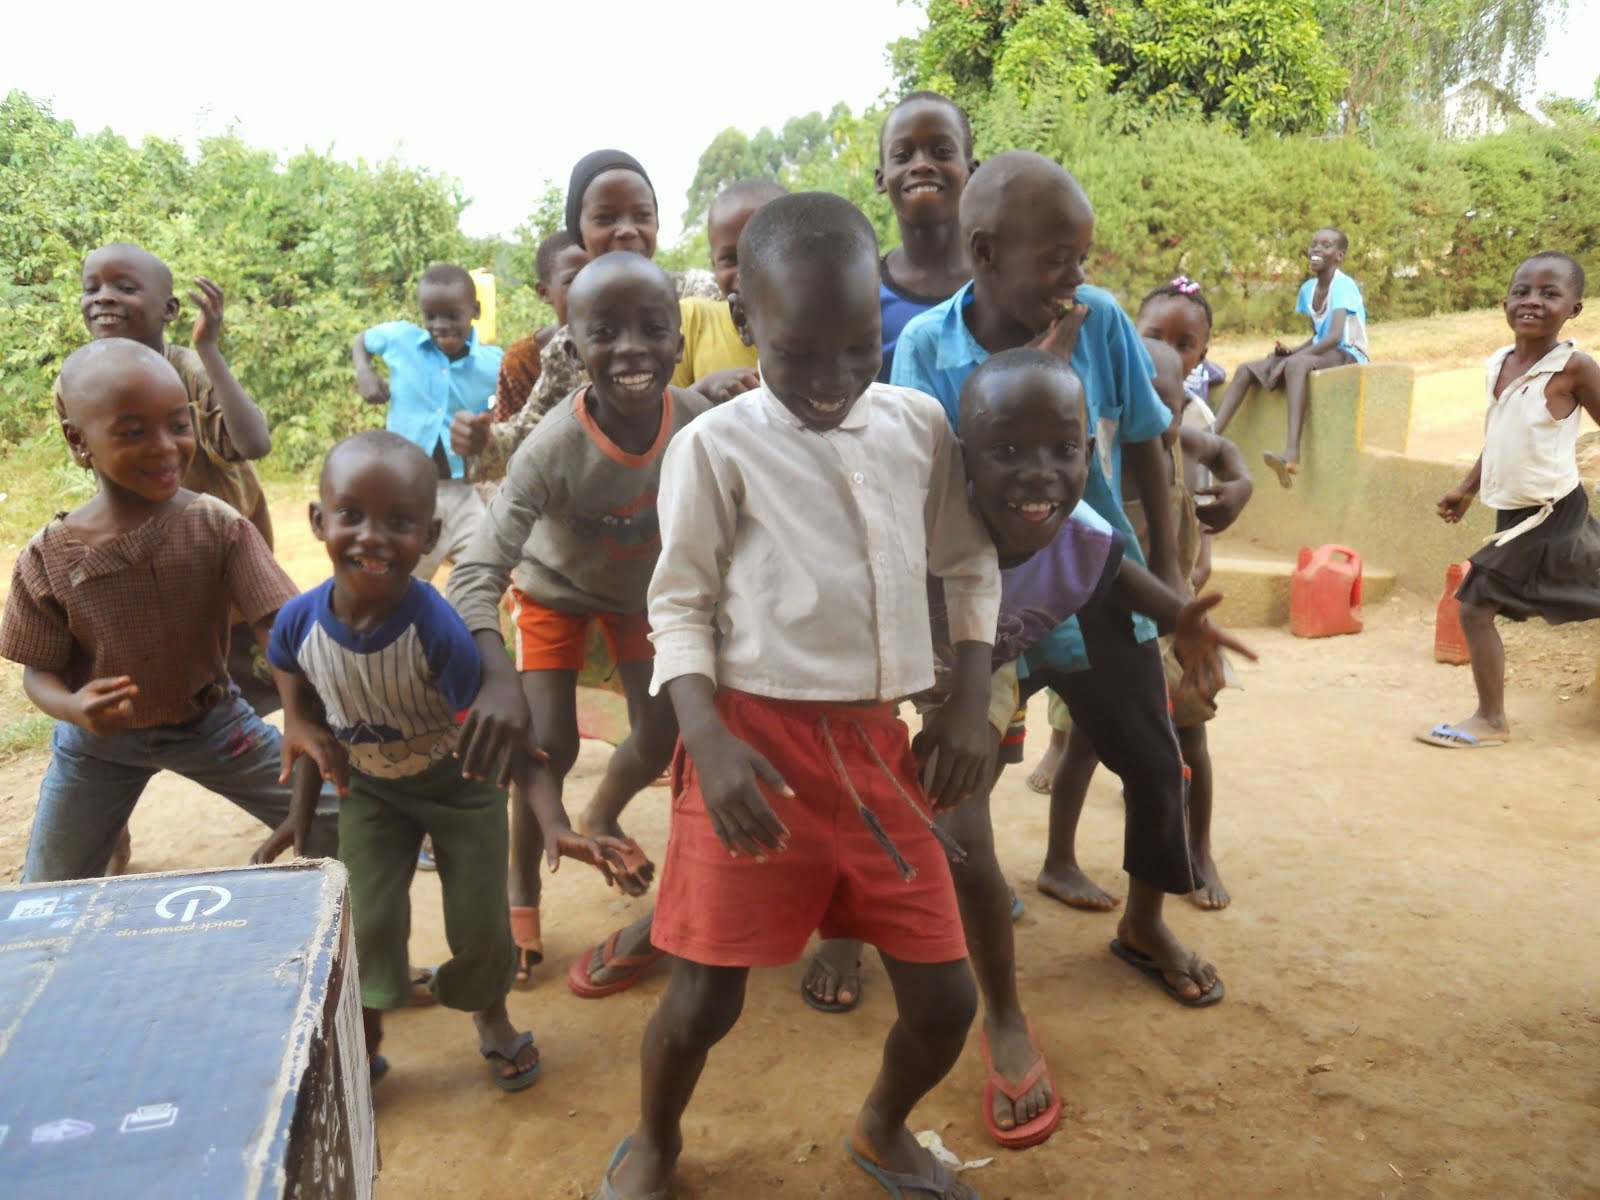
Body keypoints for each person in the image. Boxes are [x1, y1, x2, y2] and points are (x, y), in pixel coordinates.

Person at [580, 192, 1001, 1200]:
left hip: (877, 753)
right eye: (800, 352)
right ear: (746, 320)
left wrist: (966, 697)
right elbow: (676, 607)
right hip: (751, 752)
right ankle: (654, 1142)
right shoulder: (715, 447)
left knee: (945, 998)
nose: (833, 379)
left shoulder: (917, 425)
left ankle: (881, 1129)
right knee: (702, 1002)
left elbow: (967, 561)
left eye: (858, 348)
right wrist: (709, 746)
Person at [883, 151, 1221, 1011]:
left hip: (1095, 577)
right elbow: (920, 488)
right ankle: (960, 953)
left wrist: (1169, 573)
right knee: (963, 786)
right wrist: (1032, 377)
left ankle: (1144, 923)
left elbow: (1145, 435)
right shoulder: (927, 348)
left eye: (1082, 257)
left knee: (1153, 760)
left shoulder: (1102, 320)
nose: (1077, 276)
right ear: (988, 252)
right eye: (1058, 258)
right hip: (977, 601)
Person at [258, 430, 629, 1089]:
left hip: (462, 787)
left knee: (481, 918)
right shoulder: (298, 622)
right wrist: (299, 810)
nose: (372, 537)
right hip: (372, 793)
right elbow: (298, 699)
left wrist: (553, 823)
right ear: (319, 521)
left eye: (398, 523)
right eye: (351, 515)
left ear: (428, 536)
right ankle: (368, 1033)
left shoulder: (437, 630)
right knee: (368, 919)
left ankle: (490, 1015)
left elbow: (512, 742)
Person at [446, 253, 704, 981]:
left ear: (678, 344)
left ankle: (600, 815)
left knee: (660, 734)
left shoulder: (699, 423)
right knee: (545, 744)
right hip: (552, 589)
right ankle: (520, 896)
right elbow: (476, 571)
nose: (631, 349)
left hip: (641, 598)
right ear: (573, 345)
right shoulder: (551, 448)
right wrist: (494, 674)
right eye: (605, 332)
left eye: (653, 329)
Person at [2, 340, 336, 883]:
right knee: (48, 887)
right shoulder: (46, 558)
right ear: (78, 442)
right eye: (133, 432)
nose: (166, 447)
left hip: (212, 722)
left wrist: (298, 715)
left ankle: (375, 925)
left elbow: (277, 623)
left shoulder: (217, 526)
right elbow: (37, 672)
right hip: (96, 745)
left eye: (179, 425)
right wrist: (72, 706)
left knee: (335, 819)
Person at [54, 242, 278, 874]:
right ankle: (104, 835)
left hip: (223, 577)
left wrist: (208, 350)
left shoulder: (188, 367)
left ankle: (367, 811)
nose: (103, 298)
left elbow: (252, 442)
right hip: (139, 582)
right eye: (91, 286)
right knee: (115, 703)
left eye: (124, 287)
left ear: (170, 309)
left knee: (285, 682)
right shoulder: (78, 376)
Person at [1043, 333, 1254, 915]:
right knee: (1081, 744)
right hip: (1108, 633)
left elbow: (1224, 454)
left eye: (1169, 405)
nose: (1157, 418)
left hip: (1175, 625)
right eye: (1145, 403)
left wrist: (1242, 482)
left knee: (1191, 739)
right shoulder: (1098, 461)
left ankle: (1199, 849)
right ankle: (1059, 858)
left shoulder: (1180, 444)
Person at [1022, 274, 1224, 793]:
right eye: (1154, 334)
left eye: (1184, 344)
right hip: (1106, 588)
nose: (1160, 415)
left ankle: (1191, 847)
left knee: (1182, 727)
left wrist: (1232, 500)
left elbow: (1217, 469)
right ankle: (1061, 845)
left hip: (1167, 594)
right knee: (1082, 716)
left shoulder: (1192, 421)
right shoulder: (1098, 413)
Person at [1421, 251, 1600, 748]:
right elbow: (1500, 436)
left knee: (1475, 607)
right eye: (1522, 291)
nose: (1533, 302)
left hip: (1551, 512)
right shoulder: (1498, 364)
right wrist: (1465, 488)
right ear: (1505, 301)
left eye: (1550, 294)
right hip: (1513, 511)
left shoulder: (1575, 368)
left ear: (1574, 309)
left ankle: (1492, 720)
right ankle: (1492, 717)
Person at [453, 149, 720, 481]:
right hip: (616, 512)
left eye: (641, 215)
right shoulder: (570, 344)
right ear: (579, 231)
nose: (626, 230)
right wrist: (485, 441)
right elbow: (532, 438)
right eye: (606, 219)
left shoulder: (703, 294)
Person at [352, 262, 503, 581]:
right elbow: (361, 340)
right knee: (403, 580)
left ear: (474, 310)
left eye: (452, 315)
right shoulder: (400, 341)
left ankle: (465, 630)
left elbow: (512, 409)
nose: (440, 325)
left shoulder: (494, 365)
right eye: (430, 316)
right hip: (407, 493)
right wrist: (365, 373)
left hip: (464, 492)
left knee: (482, 575)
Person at [1212, 227, 1369, 488]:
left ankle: (1292, 454)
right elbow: (1318, 336)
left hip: (1350, 354)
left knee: (1295, 365)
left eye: (1327, 246)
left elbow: (1334, 337)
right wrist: (1292, 351)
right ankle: (1210, 437)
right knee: (1247, 369)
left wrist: (1292, 360)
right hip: (1324, 351)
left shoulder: (1343, 285)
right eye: (1314, 244)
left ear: (1339, 256)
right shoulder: (1308, 289)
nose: (1317, 249)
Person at [876, 90, 979, 381]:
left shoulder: (1005, 283)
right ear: (881, 178)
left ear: (971, 171)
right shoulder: (864, 295)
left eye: (942, 152)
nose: (921, 165)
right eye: (902, 156)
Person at [672, 179, 785, 403]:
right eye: (730, 259)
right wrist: (700, 393)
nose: (746, 274)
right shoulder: (691, 322)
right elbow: (656, 417)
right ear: (713, 264)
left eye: (763, 252)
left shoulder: (819, 328)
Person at [493, 231, 590, 421]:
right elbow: (509, 438)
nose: (589, 287)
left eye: (597, 273)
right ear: (544, 292)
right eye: (573, 280)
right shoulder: (521, 361)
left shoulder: (627, 347)